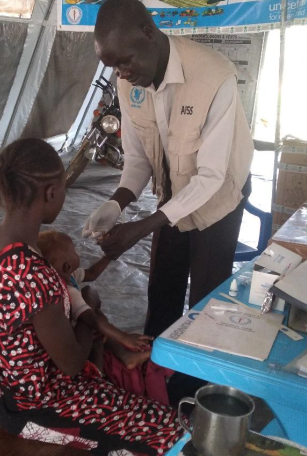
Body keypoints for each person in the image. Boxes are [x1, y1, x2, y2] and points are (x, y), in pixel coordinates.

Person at [0, 138, 183, 455]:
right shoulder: (34, 274)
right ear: (51, 193)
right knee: (169, 430)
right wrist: (89, 309)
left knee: (134, 377)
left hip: (2, 394)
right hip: (37, 407)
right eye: (64, 188)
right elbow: (71, 364)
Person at [86, 0, 254, 341]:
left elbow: (210, 177)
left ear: (149, 34)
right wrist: (115, 204)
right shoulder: (128, 81)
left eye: (124, 61)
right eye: (112, 66)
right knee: (162, 289)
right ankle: (156, 374)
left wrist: (142, 228)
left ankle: (196, 385)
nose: (121, 73)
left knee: (206, 298)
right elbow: (138, 160)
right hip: (173, 193)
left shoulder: (214, 76)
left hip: (219, 197)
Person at [36, 230, 152, 369]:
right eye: (74, 250)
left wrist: (109, 256)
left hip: (77, 326)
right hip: (75, 338)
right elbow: (92, 319)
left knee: (98, 317)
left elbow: (91, 274)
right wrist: (124, 337)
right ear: (67, 266)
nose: (77, 252)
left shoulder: (69, 274)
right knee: (99, 328)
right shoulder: (69, 292)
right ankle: (98, 374)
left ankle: (124, 356)